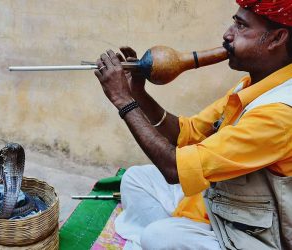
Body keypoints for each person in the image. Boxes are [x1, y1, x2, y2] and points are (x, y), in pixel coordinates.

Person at [94, 0, 292, 249]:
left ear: (277, 38)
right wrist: (137, 94)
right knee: (136, 179)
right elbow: (186, 133)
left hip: (253, 232)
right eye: (234, 22)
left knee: (159, 237)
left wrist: (123, 101)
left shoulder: (279, 113)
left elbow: (174, 170)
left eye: (241, 26)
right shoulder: (251, 85)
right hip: (224, 202)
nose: (228, 34)